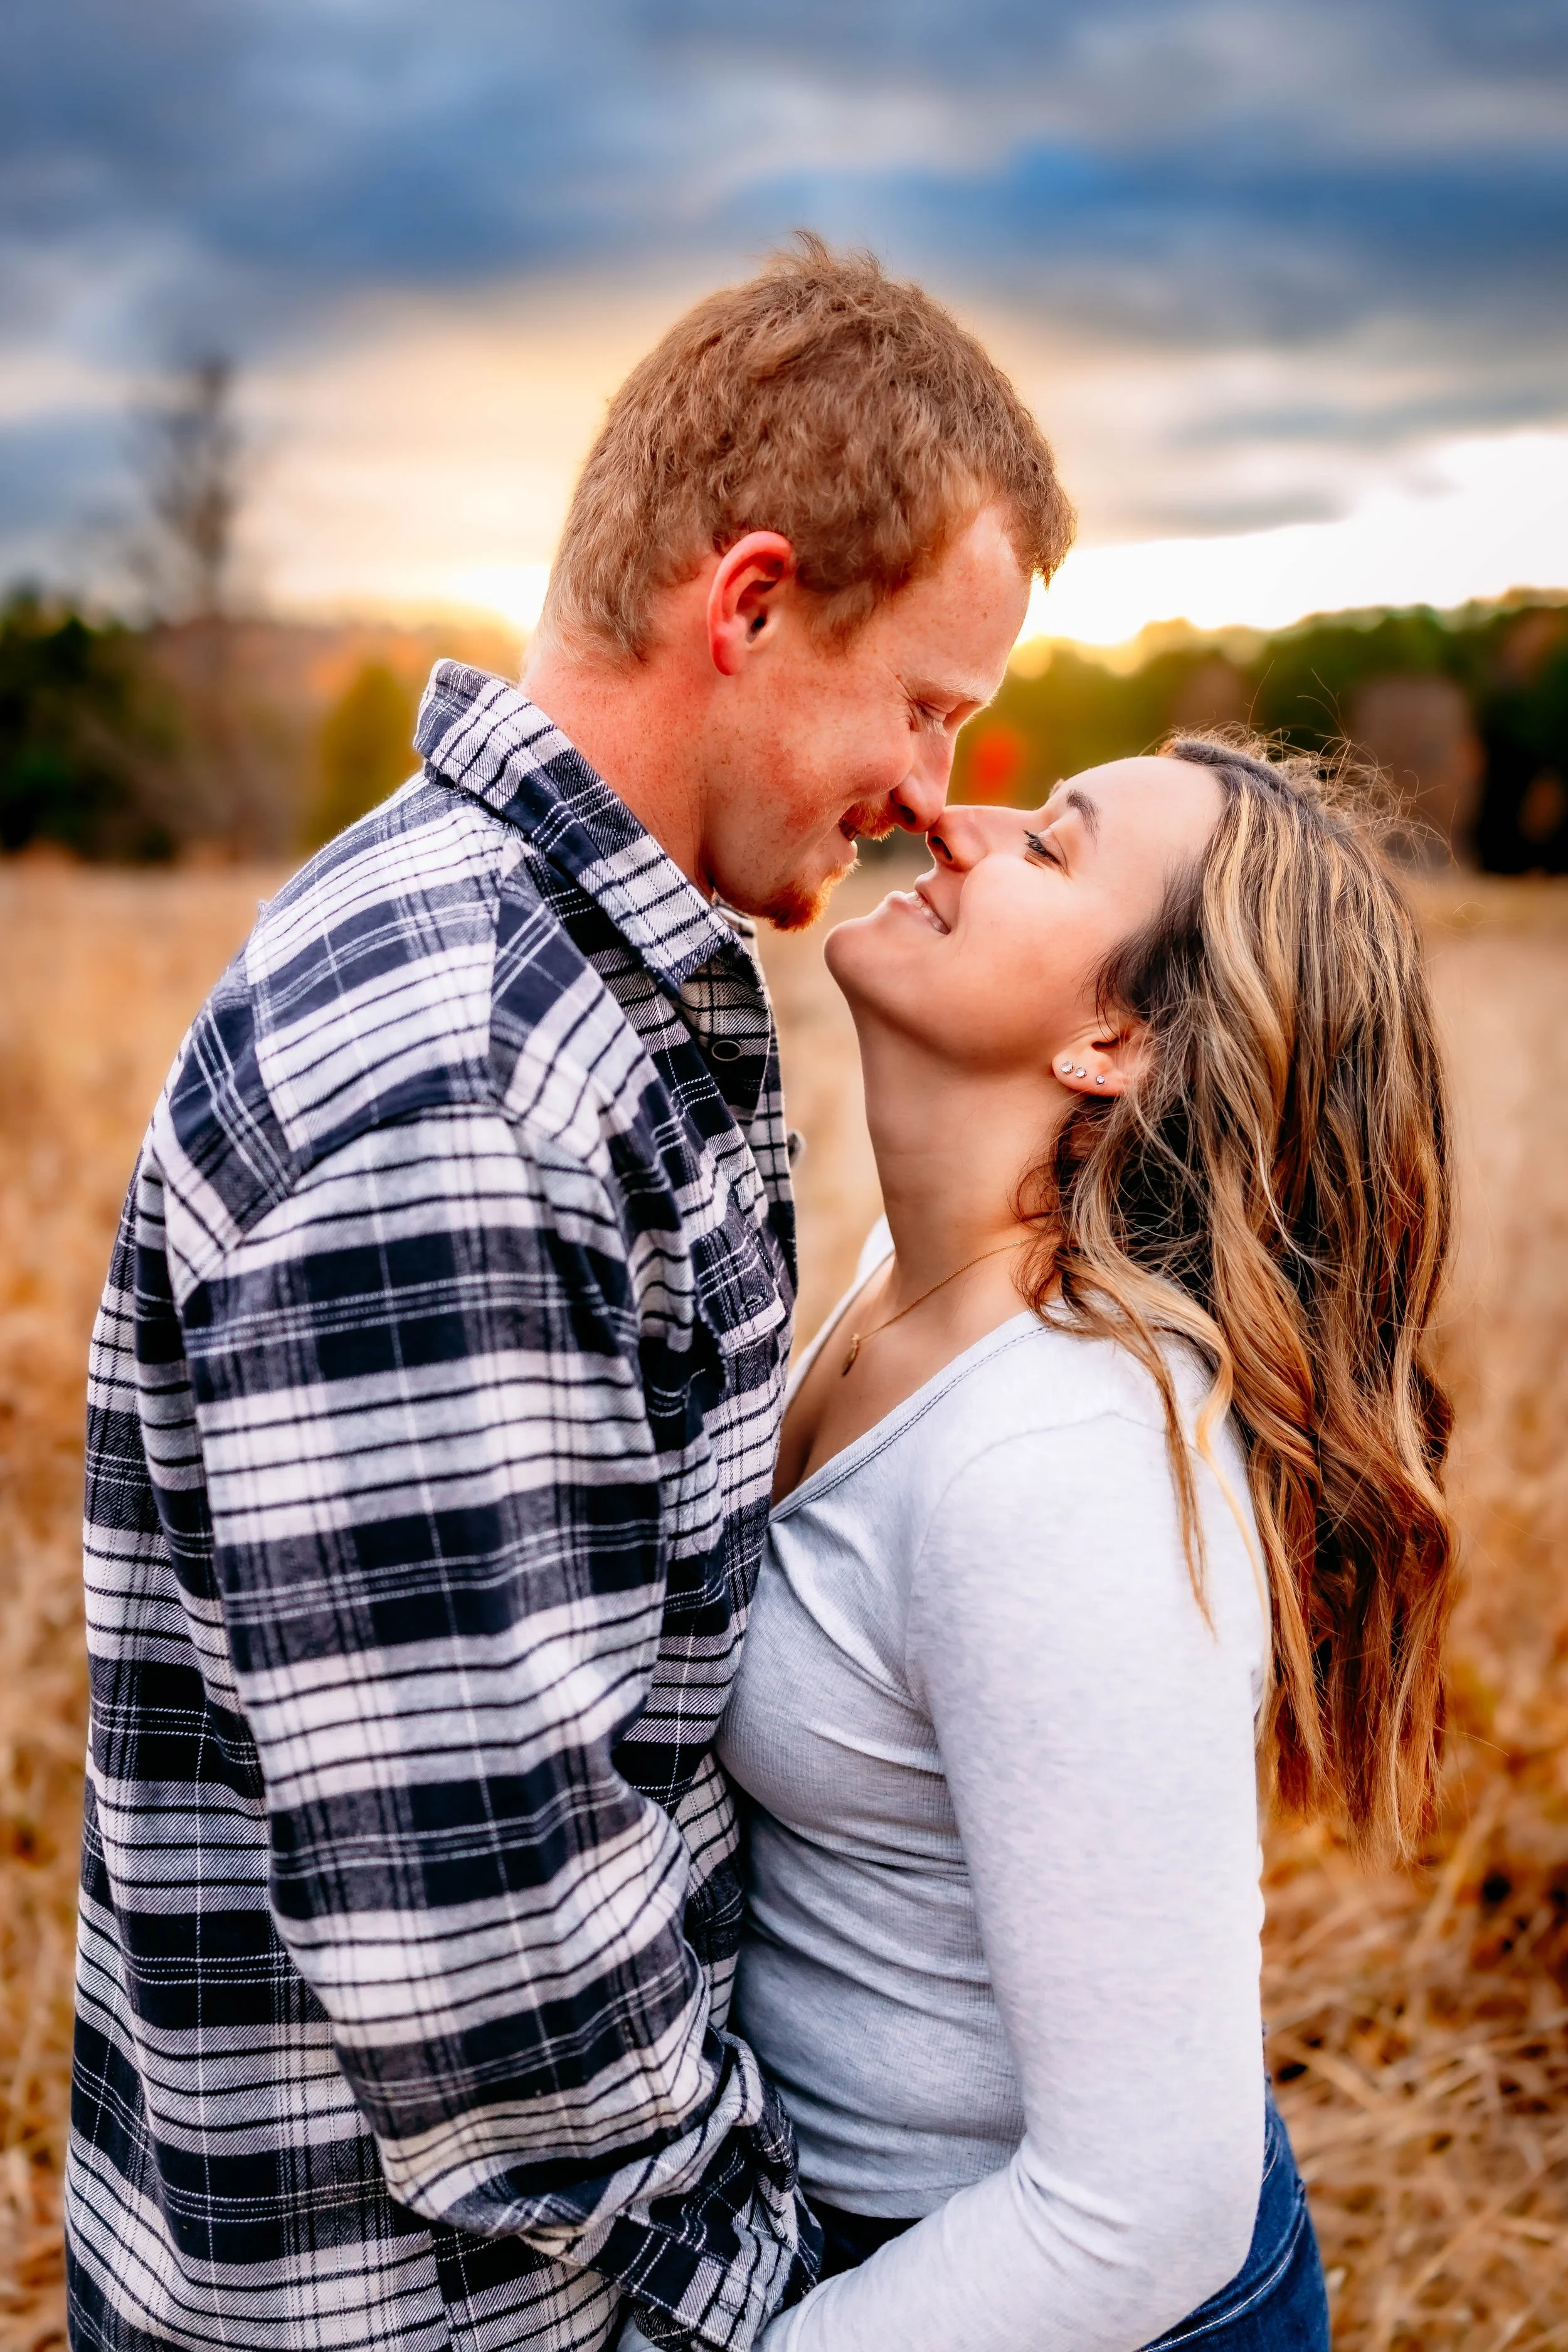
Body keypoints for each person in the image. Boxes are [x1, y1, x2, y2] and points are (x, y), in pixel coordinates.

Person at [65, 240, 1073, 2352]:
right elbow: (485, 1944)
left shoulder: (572, 990)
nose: (930, 795)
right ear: (754, 603)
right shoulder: (468, 1072)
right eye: (926, 706)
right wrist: (780, 2305)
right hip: (438, 2309)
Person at [712, 737, 1455, 2351]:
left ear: (1115, 1039)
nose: (947, 822)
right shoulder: (895, 1289)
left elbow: (1145, 2210)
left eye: (1049, 846)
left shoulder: (1057, 1463)